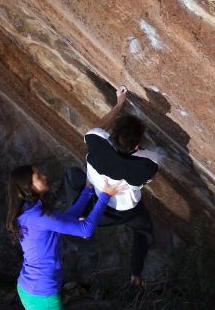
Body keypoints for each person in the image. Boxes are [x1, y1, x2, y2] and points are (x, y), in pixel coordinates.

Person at [65, 85, 161, 288]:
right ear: (136, 147)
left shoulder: (96, 145)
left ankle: (77, 217)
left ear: (111, 137)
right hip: (126, 211)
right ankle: (136, 274)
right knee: (143, 230)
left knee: (73, 176)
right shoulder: (147, 165)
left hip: (96, 206)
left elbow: (96, 128)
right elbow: (141, 159)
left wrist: (119, 104)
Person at [6, 164, 119, 310]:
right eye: (39, 176)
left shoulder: (29, 211)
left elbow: (67, 219)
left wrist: (88, 190)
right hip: (41, 294)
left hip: (31, 287)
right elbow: (86, 229)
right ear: (28, 186)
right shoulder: (38, 216)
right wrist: (105, 195)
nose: (45, 176)